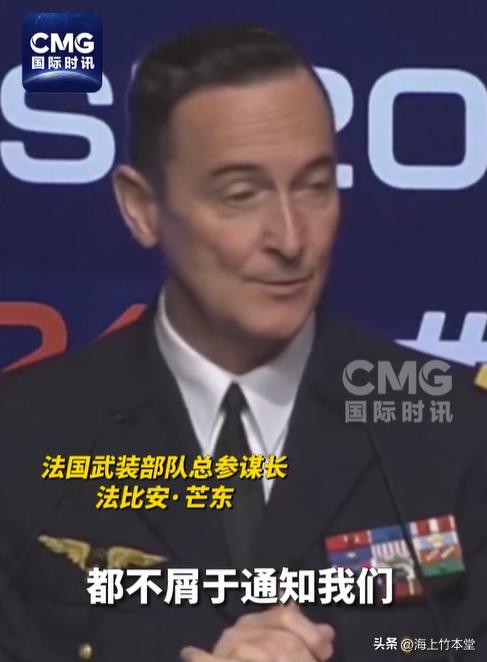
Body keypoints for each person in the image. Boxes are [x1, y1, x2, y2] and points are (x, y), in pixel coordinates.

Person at [0, 22, 486, 662]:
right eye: (241, 195)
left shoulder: (455, 427)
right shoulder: (22, 438)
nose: (291, 238)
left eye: (314, 186)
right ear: (141, 207)